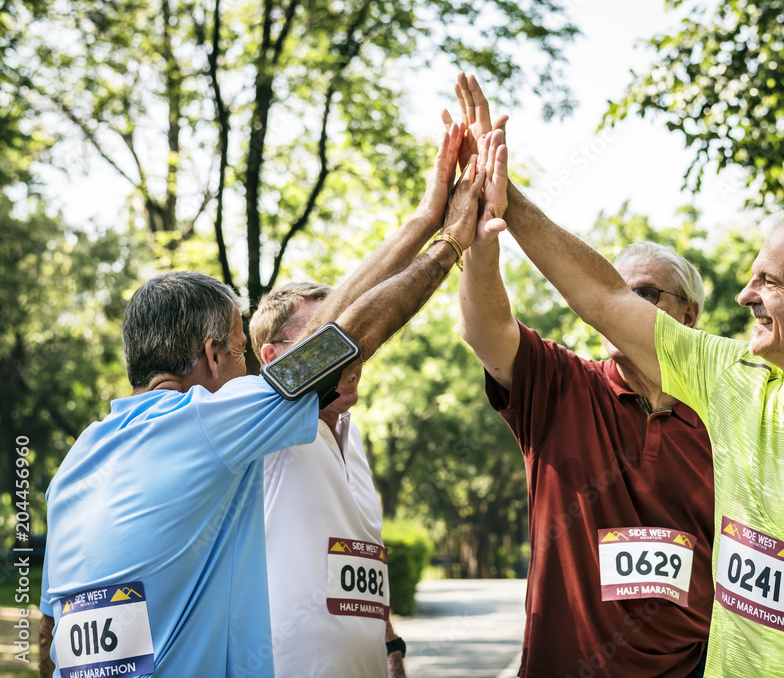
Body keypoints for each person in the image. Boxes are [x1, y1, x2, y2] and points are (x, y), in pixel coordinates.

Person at [449, 74, 784, 677]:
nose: (746, 294)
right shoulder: (734, 379)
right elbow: (602, 296)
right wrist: (502, 194)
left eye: (769, 282)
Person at [37, 121, 496, 678]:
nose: (249, 370)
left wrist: (424, 218)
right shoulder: (208, 421)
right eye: (239, 354)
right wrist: (448, 242)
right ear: (211, 356)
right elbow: (335, 343)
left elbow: (49, 639)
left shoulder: (76, 465)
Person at [457, 123, 714, 675]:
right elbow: (486, 330)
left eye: (640, 296)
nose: (612, 309)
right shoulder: (562, 384)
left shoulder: (725, 409)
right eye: (611, 292)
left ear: (687, 317)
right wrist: (483, 240)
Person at [250, 282, 404, 678]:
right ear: (273, 358)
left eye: (351, 337)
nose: (348, 353)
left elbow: (362, 559)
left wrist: (391, 647)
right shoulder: (266, 431)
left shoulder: (351, 436)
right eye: (326, 340)